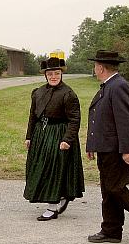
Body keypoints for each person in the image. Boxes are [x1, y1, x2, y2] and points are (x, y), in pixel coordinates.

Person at [85, 50, 129, 244]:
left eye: (95, 65)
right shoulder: (108, 86)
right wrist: (92, 145)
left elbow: (126, 122)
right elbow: (100, 120)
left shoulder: (119, 86)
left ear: (101, 67)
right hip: (106, 147)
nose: (94, 69)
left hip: (117, 149)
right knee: (108, 189)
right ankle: (111, 230)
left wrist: (127, 150)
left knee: (115, 187)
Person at [24, 57, 85, 220]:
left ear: (61, 74)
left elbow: (75, 120)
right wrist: (29, 136)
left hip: (59, 134)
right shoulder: (38, 92)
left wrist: (67, 139)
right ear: (45, 75)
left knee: (53, 170)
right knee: (40, 168)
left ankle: (52, 207)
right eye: (50, 74)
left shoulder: (68, 94)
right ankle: (60, 197)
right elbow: (32, 116)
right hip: (41, 135)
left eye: (57, 73)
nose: (53, 77)